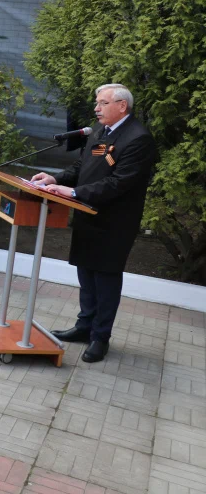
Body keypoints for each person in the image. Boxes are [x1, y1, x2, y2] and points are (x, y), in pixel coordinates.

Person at [34, 83, 158, 363]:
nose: (96, 108)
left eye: (102, 103)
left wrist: (75, 192)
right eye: (97, 103)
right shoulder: (101, 131)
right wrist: (56, 180)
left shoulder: (138, 139)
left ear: (121, 106)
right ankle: (84, 326)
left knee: (105, 279)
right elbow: (83, 167)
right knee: (86, 275)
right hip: (87, 215)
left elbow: (119, 184)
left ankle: (100, 338)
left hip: (114, 222)